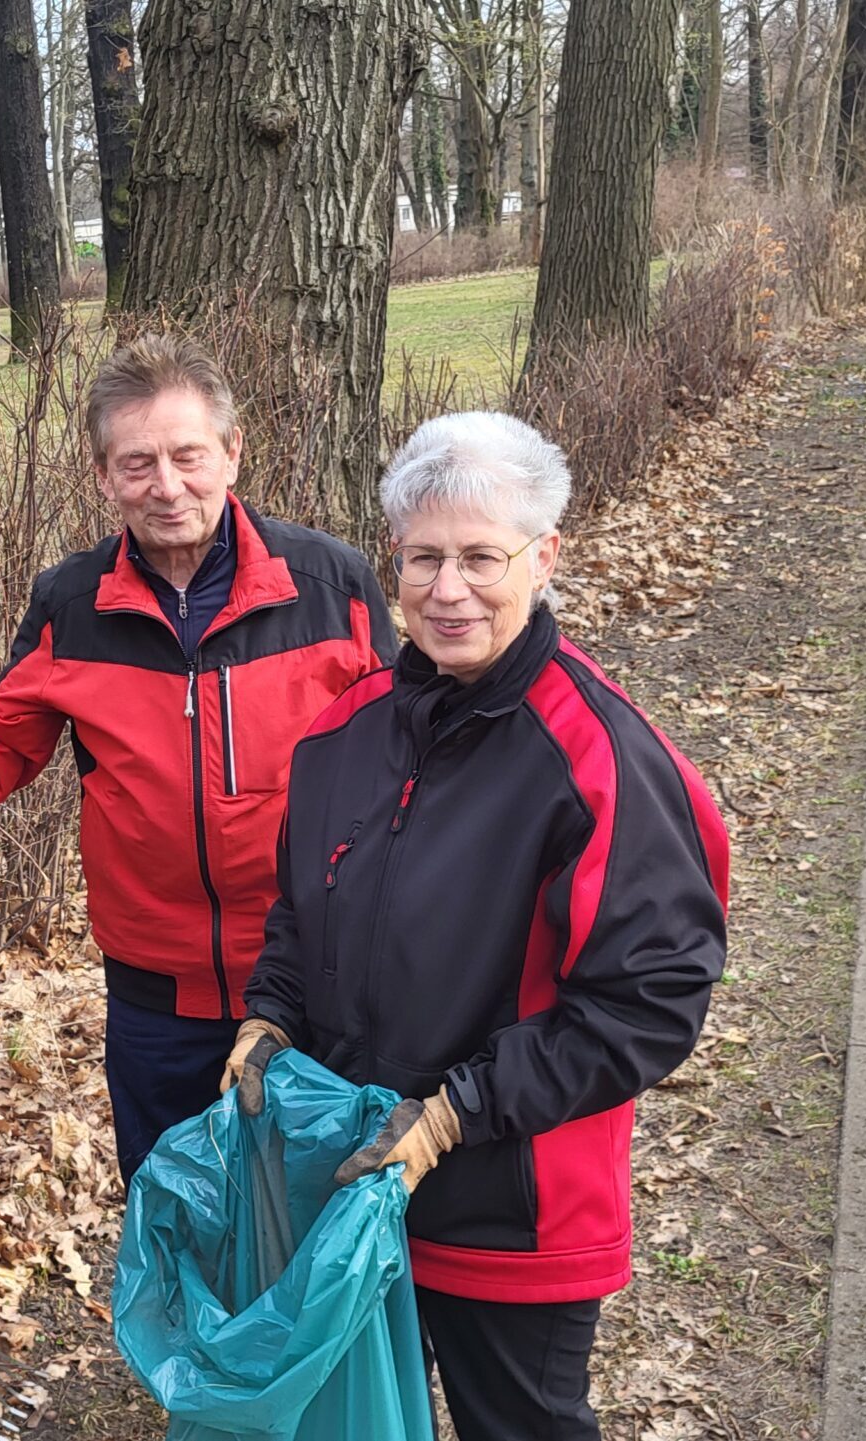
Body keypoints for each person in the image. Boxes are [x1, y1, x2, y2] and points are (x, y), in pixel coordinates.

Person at [225, 411, 730, 1440]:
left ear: (544, 557)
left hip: (514, 1208)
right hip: (352, 1188)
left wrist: (453, 1112)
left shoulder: (597, 757)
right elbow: (300, 906)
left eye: (479, 558)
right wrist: (270, 1014)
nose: (446, 589)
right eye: (422, 558)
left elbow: (647, 1001)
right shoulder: (344, 733)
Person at [0, 335, 394, 1181]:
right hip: (158, 1003)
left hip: (321, 985)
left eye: (188, 455)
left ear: (232, 452)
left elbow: (408, 773)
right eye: (137, 463)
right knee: (177, 1235)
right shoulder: (72, 606)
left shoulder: (332, 588)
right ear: (102, 474)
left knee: (316, 1246)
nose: (166, 486)